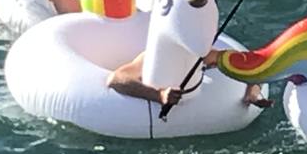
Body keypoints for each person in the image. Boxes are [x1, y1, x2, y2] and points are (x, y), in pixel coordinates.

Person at [106, 48, 272, 110]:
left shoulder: (204, 55)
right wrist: (159, 95)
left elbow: (252, 67)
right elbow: (116, 79)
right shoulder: (154, 56)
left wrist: (253, 94)